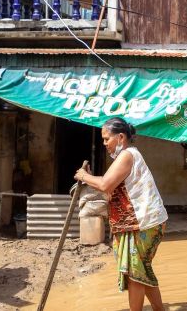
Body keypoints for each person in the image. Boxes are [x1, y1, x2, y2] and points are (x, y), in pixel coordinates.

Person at [74, 117, 168, 311]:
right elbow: (108, 184)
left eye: (106, 139)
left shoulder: (127, 155)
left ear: (121, 137)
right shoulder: (126, 157)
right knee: (141, 270)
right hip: (142, 222)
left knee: (135, 273)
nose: (104, 144)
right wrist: (90, 178)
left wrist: (84, 176)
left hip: (142, 223)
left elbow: (105, 184)